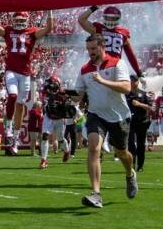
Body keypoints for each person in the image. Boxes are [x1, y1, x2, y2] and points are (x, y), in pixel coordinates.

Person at [74, 34, 137, 209]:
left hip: (119, 116)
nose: (90, 53)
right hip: (96, 115)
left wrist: (103, 80)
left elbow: (126, 87)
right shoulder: (85, 69)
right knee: (93, 148)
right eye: (88, 49)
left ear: (103, 46)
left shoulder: (117, 63)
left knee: (122, 153)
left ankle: (129, 174)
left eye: (93, 49)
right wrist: (68, 96)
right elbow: (78, 95)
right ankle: (96, 194)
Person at [0, 11, 53, 155]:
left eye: (22, 19)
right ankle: (8, 128)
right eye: (17, 19)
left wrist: (49, 12)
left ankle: (15, 139)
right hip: (11, 71)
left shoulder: (32, 31)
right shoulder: (9, 31)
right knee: (12, 96)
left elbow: (48, 29)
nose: (19, 22)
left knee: (20, 105)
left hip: (25, 74)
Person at [78, 5, 143, 78]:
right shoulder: (98, 28)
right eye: (108, 17)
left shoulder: (123, 32)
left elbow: (130, 54)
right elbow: (81, 20)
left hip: (115, 67)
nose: (110, 20)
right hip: (100, 66)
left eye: (113, 18)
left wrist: (138, 71)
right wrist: (94, 7)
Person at [39, 76, 72, 169]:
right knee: (45, 136)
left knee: (61, 139)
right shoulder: (46, 92)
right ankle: (43, 160)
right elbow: (45, 103)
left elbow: (68, 106)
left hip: (59, 119)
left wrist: (65, 103)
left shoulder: (63, 93)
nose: (49, 85)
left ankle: (66, 151)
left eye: (51, 83)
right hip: (49, 117)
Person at [126, 74, 152, 172]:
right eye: (131, 80)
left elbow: (151, 108)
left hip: (142, 121)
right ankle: (132, 164)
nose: (133, 82)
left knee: (141, 144)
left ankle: (140, 166)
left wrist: (140, 104)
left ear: (138, 81)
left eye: (135, 80)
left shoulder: (144, 94)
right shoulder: (125, 94)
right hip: (130, 122)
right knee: (131, 143)